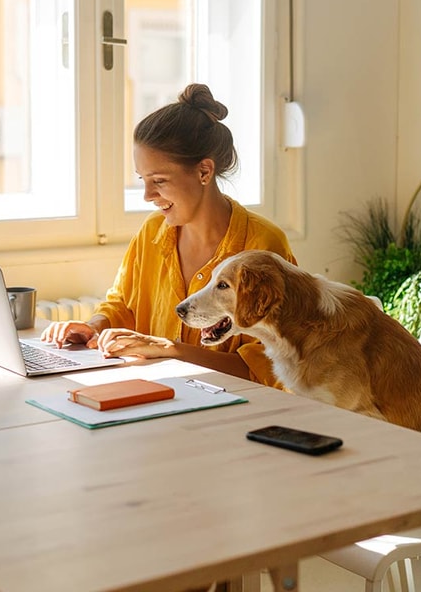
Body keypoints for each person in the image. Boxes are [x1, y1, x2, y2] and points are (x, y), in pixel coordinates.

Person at [40, 83, 296, 386]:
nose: (147, 195)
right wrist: (94, 327)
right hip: (156, 394)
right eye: (143, 180)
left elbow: (268, 370)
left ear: (204, 172)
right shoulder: (152, 232)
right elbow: (123, 305)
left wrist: (171, 350)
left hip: (236, 405)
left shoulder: (263, 245)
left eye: (159, 181)